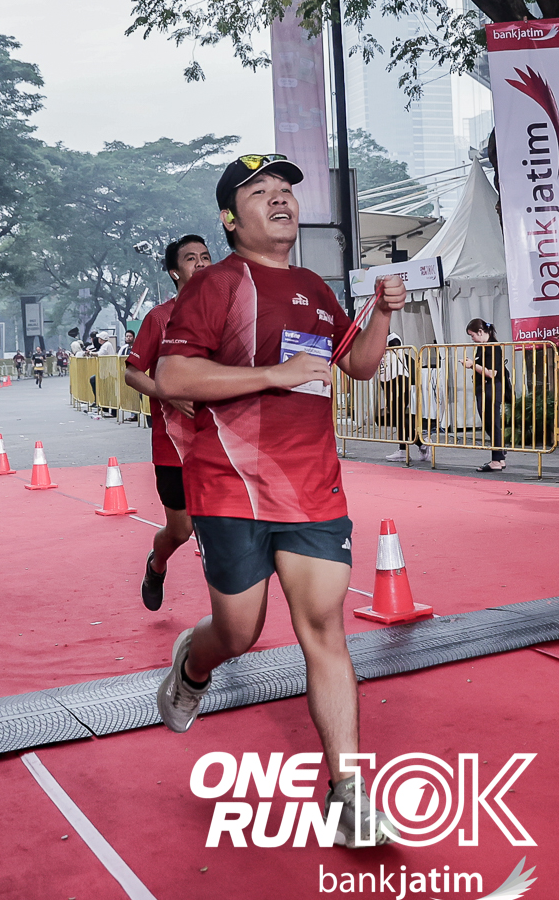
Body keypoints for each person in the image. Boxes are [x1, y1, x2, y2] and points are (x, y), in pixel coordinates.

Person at [152, 152, 408, 846]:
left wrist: (383, 315)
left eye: (286, 190)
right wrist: (275, 373)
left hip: (312, 488)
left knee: (324, 629)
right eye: (260, 192)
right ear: (231, 219)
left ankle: (349, 795)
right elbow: (174, 376)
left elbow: (357, 365)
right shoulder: (215, 285)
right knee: (239, 632)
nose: (280, 199)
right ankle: (194, 664)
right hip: (230, 486)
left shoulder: (314, 287)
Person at [124, 234, 213, 611]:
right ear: (175, 272)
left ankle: (228, 616)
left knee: (220, 529)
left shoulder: (228, 316)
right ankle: (156, 564)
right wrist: (169, 393)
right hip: (173, 447)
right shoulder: (159, 318)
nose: (201, 263)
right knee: (181, 529)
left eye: (206, 256)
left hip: (219, 442)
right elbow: (131, 373)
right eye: (191, 259)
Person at [461, 319, 511, 471]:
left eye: (472, 335)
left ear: (481, 332)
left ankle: (497, 458)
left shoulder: (492, 348)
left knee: (492, 423)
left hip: (491, 388)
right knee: (489, 423)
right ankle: (499, 456)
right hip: (485, 388)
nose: (472, 339)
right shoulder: (483, 347)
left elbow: (491, 373)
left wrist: (472, 365)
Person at [377, 335, 426, 462]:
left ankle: (416, 445)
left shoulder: (392, 338)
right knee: (397, 418)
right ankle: (416, 446)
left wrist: (383, 345)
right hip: (389, 383)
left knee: (399, 417)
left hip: (399, 381)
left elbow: (397, 345)